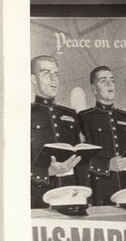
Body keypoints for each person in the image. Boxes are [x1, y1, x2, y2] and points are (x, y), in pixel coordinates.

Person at [78, 66, 126, 206]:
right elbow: (81, 159)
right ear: (94, 88)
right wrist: (106, 165)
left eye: (112, 80)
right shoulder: (84, 118)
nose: (109, 84)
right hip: (102, 189)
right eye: (103, 80)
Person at [30, 56, 85, 208]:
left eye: (56, 74)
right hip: (39, 198)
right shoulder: (24, 114)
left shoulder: (70, 114)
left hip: (71, 195)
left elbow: (78, 159)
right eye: (46, 72)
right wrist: (46, 171)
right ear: (33, 79)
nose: (53, 78)